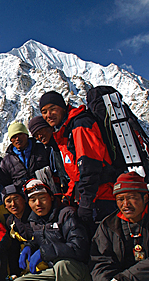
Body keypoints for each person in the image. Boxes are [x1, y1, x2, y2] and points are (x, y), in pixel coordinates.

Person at [11, 179, 91, 281]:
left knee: (63, 264)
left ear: (51, 198)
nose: (38, 204)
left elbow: (79, 248)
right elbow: (40, 239)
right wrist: (30, 246)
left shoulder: (66, 215)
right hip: (56, 272)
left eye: (42, 198)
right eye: (33, 200)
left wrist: (44, 252)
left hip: (77, 271)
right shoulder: (36, 220)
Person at [39, 90, 117, 232]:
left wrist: (86, 203)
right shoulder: (65, 131)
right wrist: (68, 197)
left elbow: (90, 167)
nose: (48, 115)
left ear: (63, 107)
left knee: (105, 246)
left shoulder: (80, 125)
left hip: (102, 198)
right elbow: (76, 174)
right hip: (92, 197)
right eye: (44, 111)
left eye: (52, 109)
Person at [0, 122, 51, 188]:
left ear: (26, 135)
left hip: (45, 189)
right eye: (14, 137)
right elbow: (6, 183)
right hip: (22, 195)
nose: (17, 139)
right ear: (11, 140)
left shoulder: (42, 149)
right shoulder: (6, 161)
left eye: (20, 134)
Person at [27, 115, 69, 194]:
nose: (39, 136)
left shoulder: (65, 144)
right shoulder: (50, 150)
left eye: (41, 131)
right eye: (36, 135)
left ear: (50, 127)